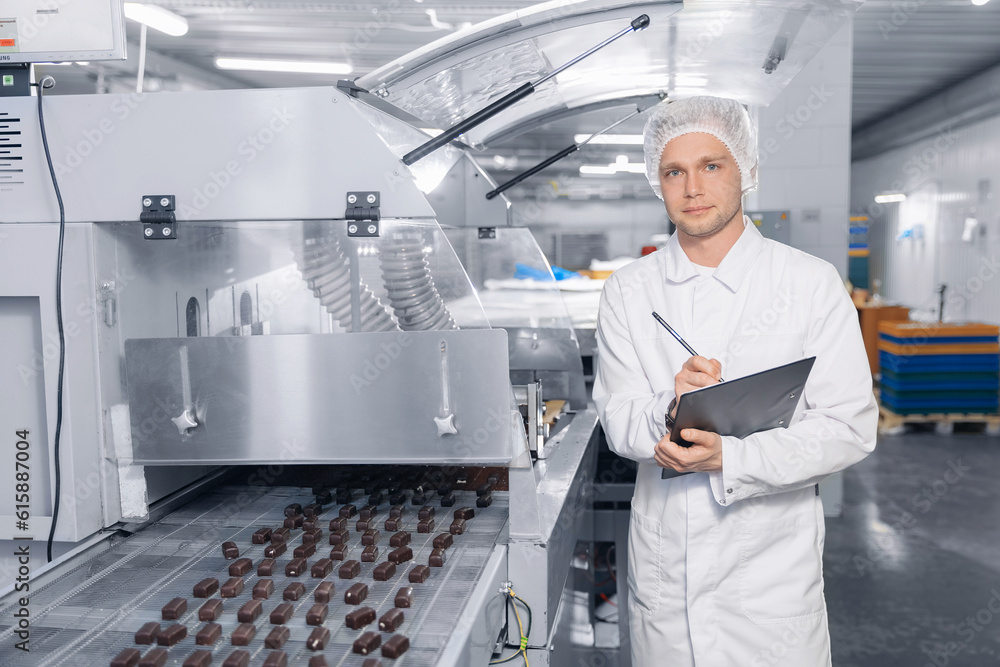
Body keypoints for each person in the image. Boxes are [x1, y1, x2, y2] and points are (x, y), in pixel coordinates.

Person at [593, 96, 878, 665]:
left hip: (770, 584)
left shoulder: (810, 284)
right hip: (666, 576)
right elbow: (618, 418)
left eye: (711, 165)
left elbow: (848, 427)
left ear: (745, 171)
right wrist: (670, 410)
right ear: (658, 181)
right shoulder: (629, 290)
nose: (692, 187)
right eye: (674, 171)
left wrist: (731, 458)